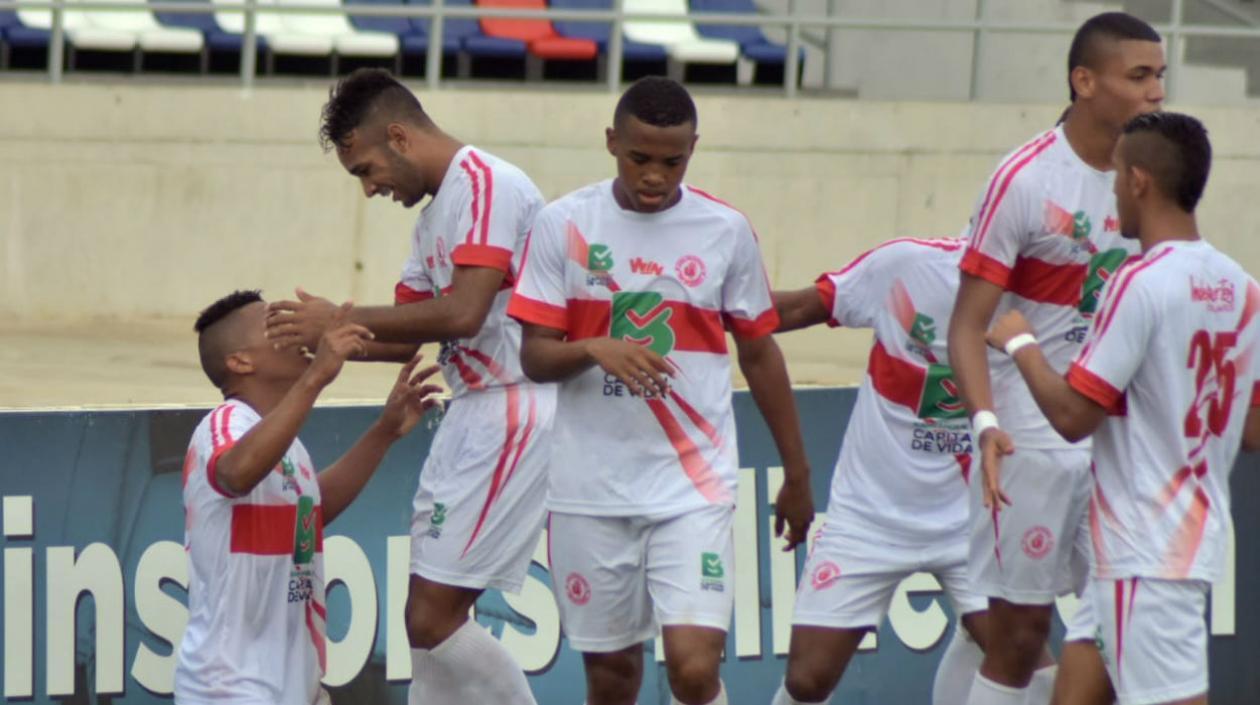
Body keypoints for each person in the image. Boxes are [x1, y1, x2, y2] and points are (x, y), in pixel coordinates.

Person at [506, 76, 814, 705]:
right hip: (589, 489)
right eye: (639, 158)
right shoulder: (561, 224)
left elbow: (758, 351)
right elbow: (534, 358)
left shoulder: (725, 230)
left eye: (672, 161)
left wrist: (798, 471)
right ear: (611, 141)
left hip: (692, 488)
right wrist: (593, 347)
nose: (655, 176)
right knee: (612, 678)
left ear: (693, 149)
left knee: (694, 669)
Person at [263, 69, 555, 705]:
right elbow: (404, 336)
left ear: (398, 136)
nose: (371, 190)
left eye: (367, 169)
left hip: (515, 408)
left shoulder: (486, 183)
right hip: (471, 413)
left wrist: (340, 318)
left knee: (431, 620)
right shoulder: (431, 222)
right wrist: (323, 341)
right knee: (422, 627)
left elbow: (463, 313)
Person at [986, 111, 1260, 705]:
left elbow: (1073, 417)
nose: (1111, 191)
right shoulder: (1240, 285)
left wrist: (1020, 343)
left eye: (1114, 175)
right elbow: (1254, 429)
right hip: (1167, 544)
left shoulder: (1140, 281)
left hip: (1146, 551)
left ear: (1138, 180)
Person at [945, 13, 1166, 705]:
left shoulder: (1155, 175)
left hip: (1112, 435)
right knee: (1017, 633)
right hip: (1032, 432)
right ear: (1084, 80)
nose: (1156, 91)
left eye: (1160, 75)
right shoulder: (1025, 178)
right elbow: (967, 324)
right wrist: (984, 422)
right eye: (1140, 76)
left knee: (1118, 632)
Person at [175, 290, 442, 705]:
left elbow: (311, 514)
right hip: (229, 687)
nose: (296, 329)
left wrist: (384, 432)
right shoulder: (224, 423)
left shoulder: (287, 446)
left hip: (295, 686)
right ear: (240, 361)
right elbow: (234, 473)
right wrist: (315, 376)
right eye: (275, 324)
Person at [768, 236, 990, 705]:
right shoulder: (907, 266)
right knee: (808, 680)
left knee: (1017, 659)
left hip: (972, 519)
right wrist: (708, 307)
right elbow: (796, 310)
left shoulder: (1041, 296)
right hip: (870, 517)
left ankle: (974, 634)